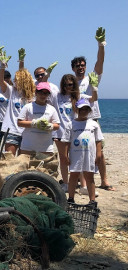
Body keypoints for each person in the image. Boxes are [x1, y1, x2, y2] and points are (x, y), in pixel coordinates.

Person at [71, 26, 113, 191]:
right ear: (73, 68)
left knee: (99, 153)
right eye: (77, 66)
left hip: (93, 118)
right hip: (78, 120)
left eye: (82, 65)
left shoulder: (92, 78)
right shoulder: (71, 83)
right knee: (80, 151)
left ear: (85, 67)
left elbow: (100, 63)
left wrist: (101, 45)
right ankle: (84, 183)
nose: (80, 67)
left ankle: (104, 180)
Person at [61, 98, 103, 204]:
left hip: (89, 155)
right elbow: (66, 142)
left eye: (86, 109)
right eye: (81, 109)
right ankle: (71, 198)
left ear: (89, 110)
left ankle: (92, 200)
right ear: (76, 110)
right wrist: (65, 156)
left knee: (89, 177)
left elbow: (98, 141)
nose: (84, 111)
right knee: (73, 176)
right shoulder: (71, 124)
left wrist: (98, 155)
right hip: (75, 155)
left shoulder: (93, 124)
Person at [0, 61, 36, 155]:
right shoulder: (12, 91)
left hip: (27, 131)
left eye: (17, 80)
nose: (14, 81)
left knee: (23, 160)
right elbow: (0, 81)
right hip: (12, 130)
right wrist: (2, 67)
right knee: (9, 159)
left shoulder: (33, 95)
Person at [16, 82, 60, 155]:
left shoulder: (52, 109)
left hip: (46, 148)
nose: (43, 95)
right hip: (28, 147)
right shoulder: (28, 107)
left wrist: (50, 126)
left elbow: (57, 125)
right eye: (41, 92)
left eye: (46, 93)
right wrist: (35, 123)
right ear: (36, 93)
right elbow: (20, 122)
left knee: (45, 166)